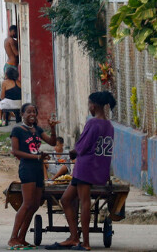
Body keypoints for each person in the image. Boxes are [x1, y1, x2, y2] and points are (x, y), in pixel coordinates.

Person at [49, 92, 116, 251]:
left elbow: (82, 146)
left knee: (84, 202)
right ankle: (74, 237)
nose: (89, 108)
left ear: (93, 105)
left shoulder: (93, 123)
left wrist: (73, 152)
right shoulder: (110, 126)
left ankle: (85, 243)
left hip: (86, 166)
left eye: (89, 105)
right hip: (98, 166)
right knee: (66, 199)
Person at [7, 103, 58, 250]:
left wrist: (53, 128)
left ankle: (22, 237)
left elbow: (52, 142)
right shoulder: (17, 130)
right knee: (27, 203)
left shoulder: (37, 129)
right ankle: (13, 238)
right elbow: (15, 151)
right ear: (22, 114)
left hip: (37, 168)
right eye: (28, 112)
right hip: (27, 168)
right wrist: (35, 157)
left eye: (34, 112)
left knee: (35, 204)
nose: (32, 114)